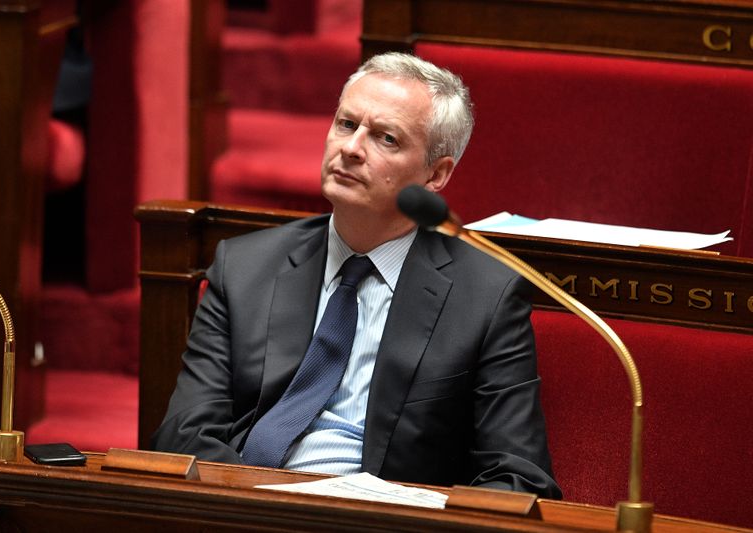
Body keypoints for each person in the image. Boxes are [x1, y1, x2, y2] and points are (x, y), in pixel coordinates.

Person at [151, 52, 562, 498]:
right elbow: (183, 432)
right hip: (246, 505)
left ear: (436, 174)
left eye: (385, 138)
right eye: (346, 124)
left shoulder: (486, 296)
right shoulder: (247, 265)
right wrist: (268, 503)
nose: (350, 148)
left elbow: (519, 477)